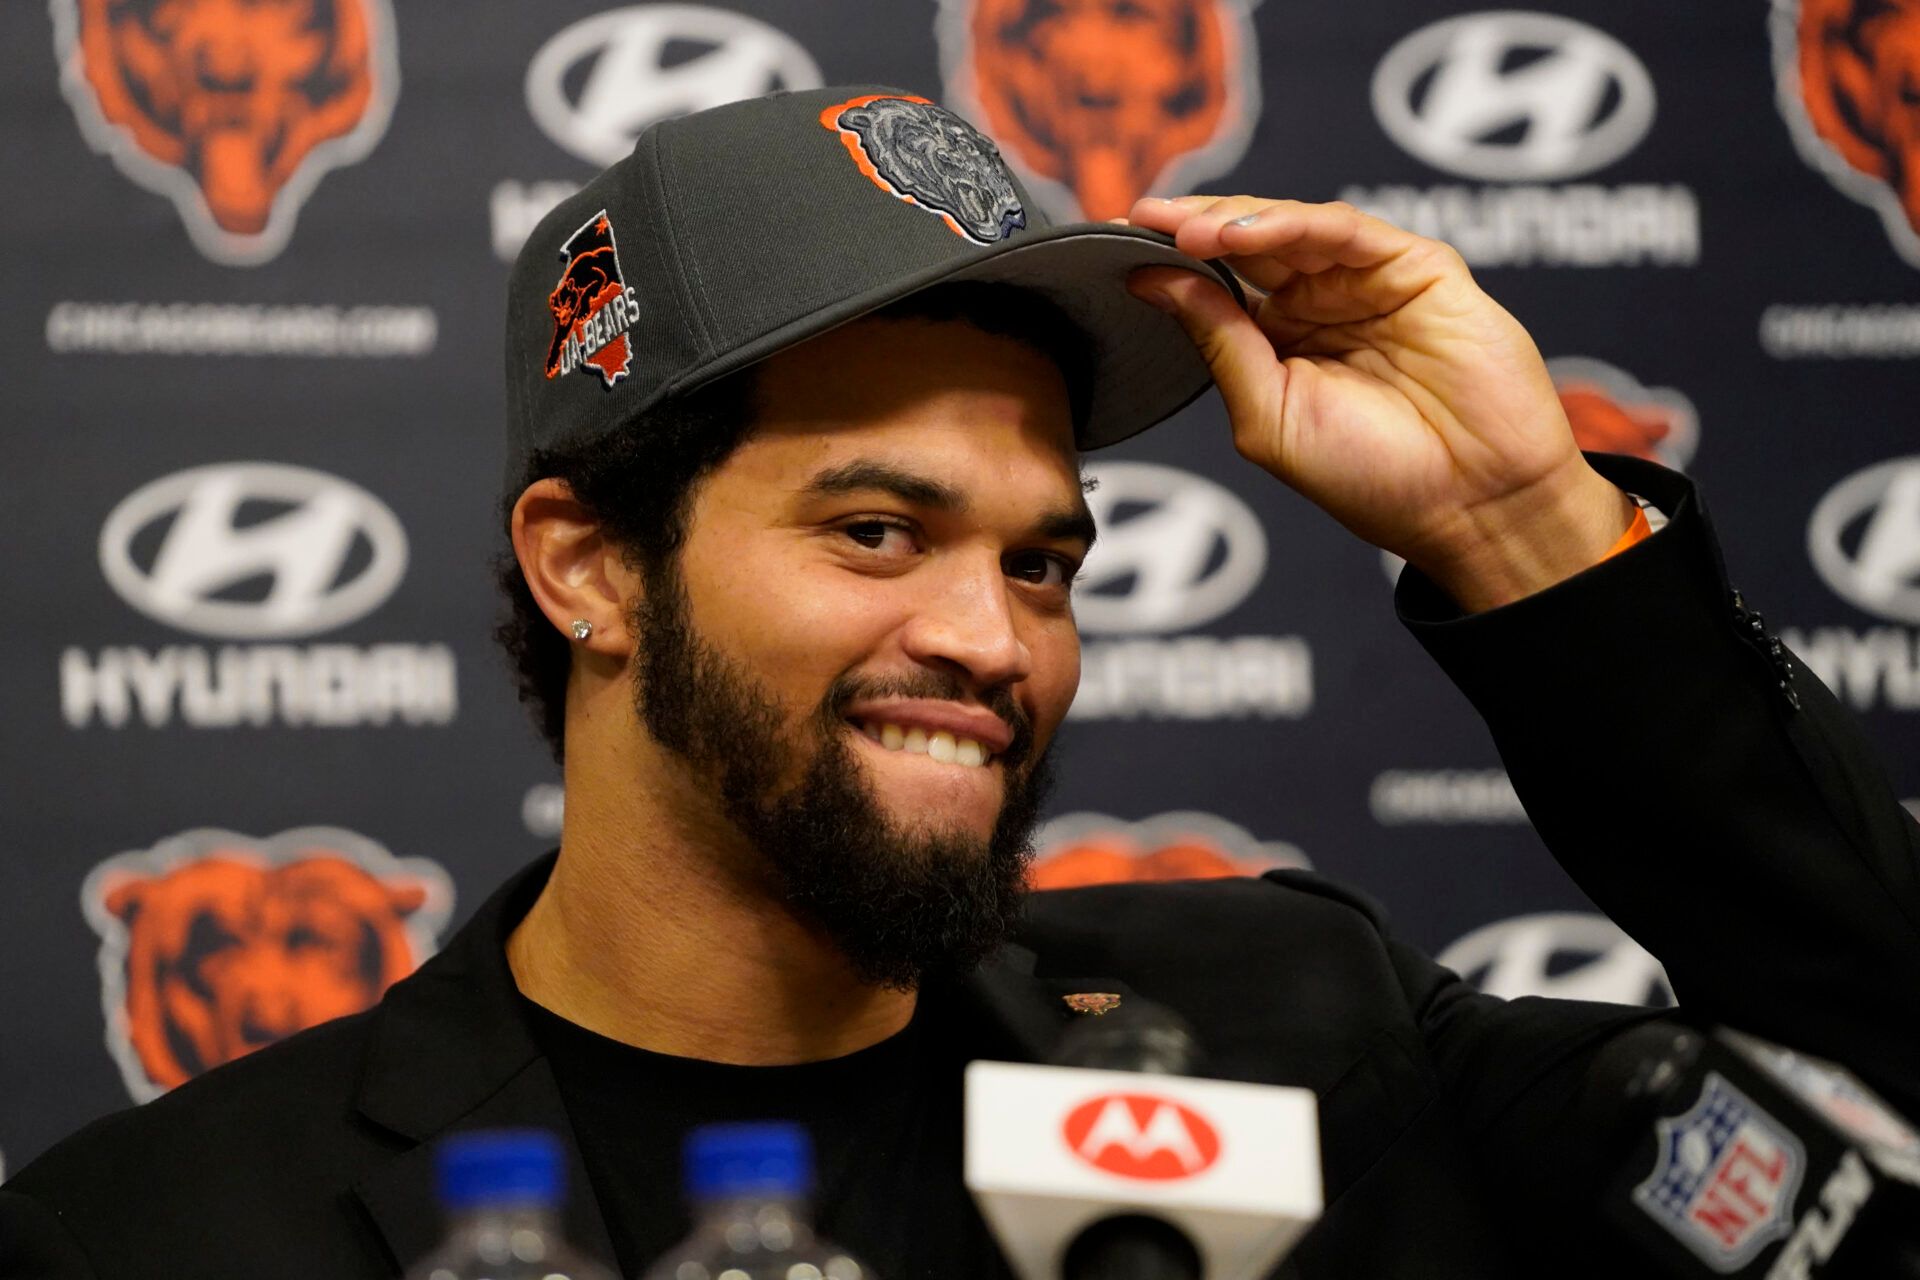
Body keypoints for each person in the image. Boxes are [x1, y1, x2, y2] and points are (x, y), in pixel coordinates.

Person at [4, 84, 1917, 1280]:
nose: (995, 642)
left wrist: (1523, 526)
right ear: (590, 567)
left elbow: (1877, 1100)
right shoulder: (161, 1234)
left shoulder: (1311, 1032)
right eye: (874, 532)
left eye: (1040, 558)